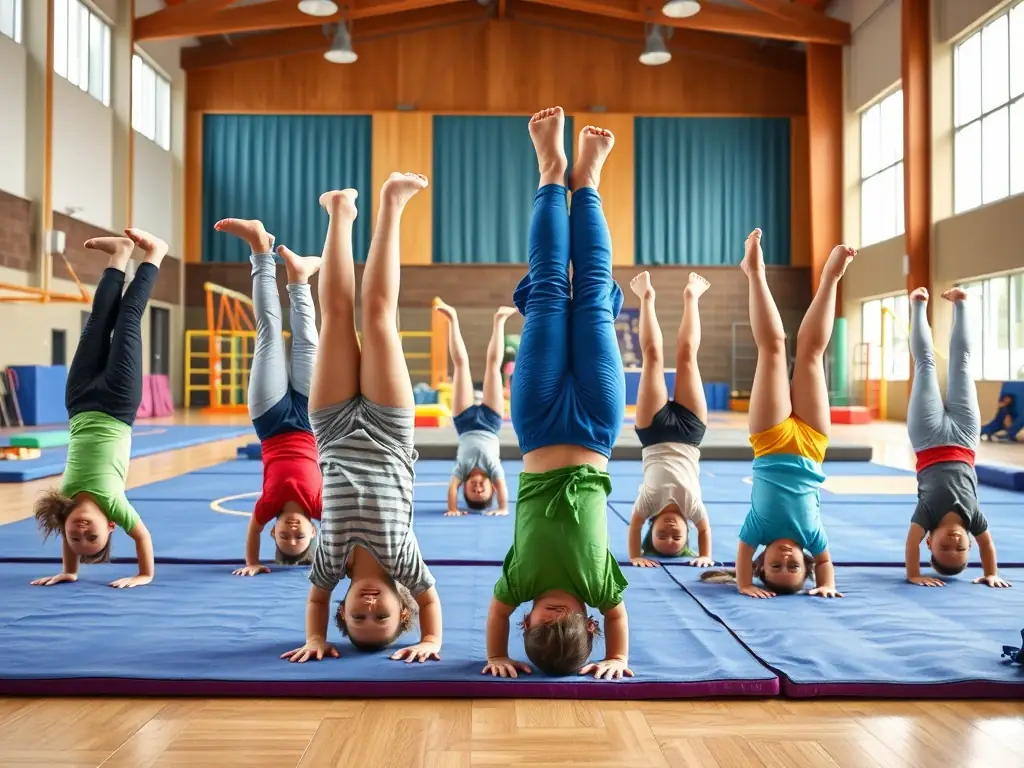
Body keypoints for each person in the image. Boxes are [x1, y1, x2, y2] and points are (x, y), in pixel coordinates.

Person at [483, 107, 630, 681]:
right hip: (597, 427)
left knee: (547, 292)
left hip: (539, 425)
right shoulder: (598, 587)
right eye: (568, 618)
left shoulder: (517, 583)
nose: (556, 611)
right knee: (592, 295)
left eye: (544, 618)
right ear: (587, 621)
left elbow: (496, 611)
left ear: (528, 623)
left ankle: (551, 169)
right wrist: (616, 658)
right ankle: (587, 180)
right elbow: (618, 614)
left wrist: (496, 655)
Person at [281, 174, 443, 664]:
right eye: (382, 616)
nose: (369, 609)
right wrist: (431, 641)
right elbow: (432, 598)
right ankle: (391, 203)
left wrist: (314, 639)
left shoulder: (328, 564)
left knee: (334, 314)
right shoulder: (405, 564)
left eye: (357, 618)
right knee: (376, 315)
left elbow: (314, 597)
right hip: (390, 431)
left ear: (343, 610)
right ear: (402, 607)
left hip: (330, 430)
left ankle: (339, 212)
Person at [704, 231, 853, 599]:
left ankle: (754, 271)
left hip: (770, 441)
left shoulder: (758, 530)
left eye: (775, 566)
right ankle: (831, 278)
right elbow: (826, 561)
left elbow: (741, 551)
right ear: (805, 563)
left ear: (761, 562)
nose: (785, 559)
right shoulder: (811, 536)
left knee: (772, 349)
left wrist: (743, 584)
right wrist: (826, 585)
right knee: (812, 354)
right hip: (813, 444)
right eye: (793, 566)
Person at [31, 230, 166, 588]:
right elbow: (142, 537)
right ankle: (154, 255)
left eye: (76, 539)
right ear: (109, 525)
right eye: (93, 538)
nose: (81, 534)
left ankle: (119, 256)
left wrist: (69, 571)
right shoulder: (114, 503)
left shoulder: (67, 496)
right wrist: (144, 574)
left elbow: (71, 538)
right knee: (126, 321)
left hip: (79, 402)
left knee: (96, 322)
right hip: (118, 404)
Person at [214, 219, 323, 575]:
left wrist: (252, 563)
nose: (292, 535)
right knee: (308, 341)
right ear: (312, 531)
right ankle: (300, 279)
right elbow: (348, 534)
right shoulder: (321, 506)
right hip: (312, 422)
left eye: (284, 539)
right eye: (300, 539)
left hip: (271, 421)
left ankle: (260, 249)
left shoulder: (267, 506)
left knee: (268, 335)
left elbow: (251, 529)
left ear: (273, 532)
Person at [903, 286, 1010, 588]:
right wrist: (990, 573)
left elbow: (909, 545)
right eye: (960, 549)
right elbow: (988, 546)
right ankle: (961, 303)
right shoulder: (973, 517)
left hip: (927, 439)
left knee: (925, 364)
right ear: (969, 545)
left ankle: (918, 306)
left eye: (944, 548)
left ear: (930, 542)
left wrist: (914, 574)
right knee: (962, 364)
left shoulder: (926, 514)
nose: (953, 542)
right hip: (965, 439)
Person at [627, 270, 714, 568]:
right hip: (691, 433)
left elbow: (634, 525)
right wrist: (705, 555)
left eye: (660, 537)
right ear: (686, 532)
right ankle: (691, 298)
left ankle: (646, 298)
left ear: (652, 529)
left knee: (652, 357)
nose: (669, 536)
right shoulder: (693, 509)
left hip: (652, 433)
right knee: (687, 356)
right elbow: (706, 529)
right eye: (676, 541)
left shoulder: (647, 505)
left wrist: (636, 555)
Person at [433, 301, 515, 517]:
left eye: (473, 491)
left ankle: (452, 318)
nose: (478, 488)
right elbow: (503, 487)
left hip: (464, 422)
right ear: (492, 487)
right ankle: (500, 321)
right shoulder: (493, 468)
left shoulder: (462, 469)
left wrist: (453, 508)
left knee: (460, 365)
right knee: (493, 367)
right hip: (491, 421)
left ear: (465, 487)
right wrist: (503, 507)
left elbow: (452, 487)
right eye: (483, 490)